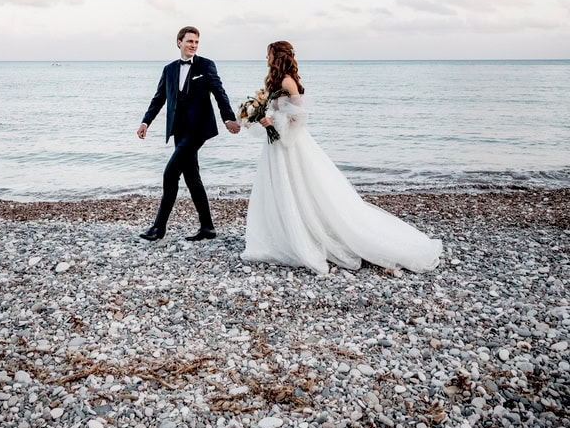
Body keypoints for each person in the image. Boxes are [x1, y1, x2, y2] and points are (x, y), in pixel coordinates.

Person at [242, 41, 442, 275]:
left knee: (299, 187)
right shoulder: (275, 81)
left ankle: (306, 235)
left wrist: (273, 122)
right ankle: (284, 234)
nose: (266, 57)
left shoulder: (287, 81)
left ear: (277, 56)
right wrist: (262, 117)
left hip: (289, 145)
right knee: (282, 188)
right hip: (276, 145)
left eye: (268, 54)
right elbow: (280, 110)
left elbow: (300, 117)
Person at [137, 26, 240, 242]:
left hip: (198, 129)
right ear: (179, 42)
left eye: (196, 42)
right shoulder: (169, 69)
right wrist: (146, 122)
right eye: (190, 41)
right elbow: (159, 98)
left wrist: (228, 118)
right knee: (192, 178)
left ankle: (158, 228)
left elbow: (219, 92)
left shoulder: (206, 65)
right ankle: (208, 228)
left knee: (170, 174)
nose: (193, 45)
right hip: (178, 130)